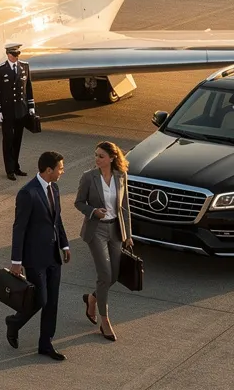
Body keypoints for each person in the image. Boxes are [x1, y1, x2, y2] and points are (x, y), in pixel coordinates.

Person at [6, 150, 71, 361]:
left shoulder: (55, 188)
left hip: (53, 255)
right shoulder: (28, 193)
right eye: (60, 168)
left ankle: (46, 343)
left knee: (52, 301)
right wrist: (16, 261)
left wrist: (65, 245)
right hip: (34, 258)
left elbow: (57, 220)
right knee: (40, 299)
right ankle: (14, 322)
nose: (62, 171)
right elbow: (19, 228)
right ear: (48, 169)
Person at [73, 141, 133, 341]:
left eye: (101, 156)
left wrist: (128, 235)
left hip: (115, 229)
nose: (96, 159)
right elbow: (79, 202)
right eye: (96, 155)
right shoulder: (88, 177)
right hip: (96, 229)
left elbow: (124, 207)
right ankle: (104, 320)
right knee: (105, 274)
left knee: (114, 275)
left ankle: (91, 299)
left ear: (112, 158)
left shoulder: (121, 176)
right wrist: (93, 212)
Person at [0, 43, 36, 180]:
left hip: (21, 111)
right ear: (8, 54)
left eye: (17, 55)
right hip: (7, 111)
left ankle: (16, 167)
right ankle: (9, 169)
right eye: (13, 55)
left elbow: (28, 87)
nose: (15, 58)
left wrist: (31, 106)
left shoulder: (24, 66)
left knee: (17, 140)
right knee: (8, 140)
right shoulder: (1, 69)